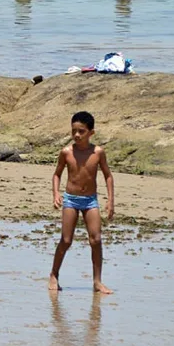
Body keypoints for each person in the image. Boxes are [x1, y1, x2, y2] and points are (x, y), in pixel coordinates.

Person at [50, 111, 115, 295]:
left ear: (91, 133)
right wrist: (56, 194)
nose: (77, 135)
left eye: (82, 131)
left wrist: (111, 201)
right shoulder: (66, 152)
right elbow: (57, 174)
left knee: (96, 239)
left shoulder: (98, 153)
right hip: (70, 199)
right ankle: (54, 275)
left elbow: (108, 176)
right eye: (74, 131)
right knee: (66, 240)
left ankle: (97, 281)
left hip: (90, 200)